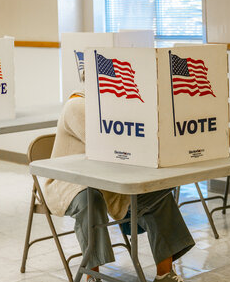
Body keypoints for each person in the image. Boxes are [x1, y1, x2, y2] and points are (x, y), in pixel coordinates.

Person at [42, 74, 194, 282]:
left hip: (109, 181)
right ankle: (92, 275)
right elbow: (106, 146)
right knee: (91, 199)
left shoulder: (116, 106)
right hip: (71, 183)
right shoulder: (77, 105)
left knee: (157, 195)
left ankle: (165, 275)